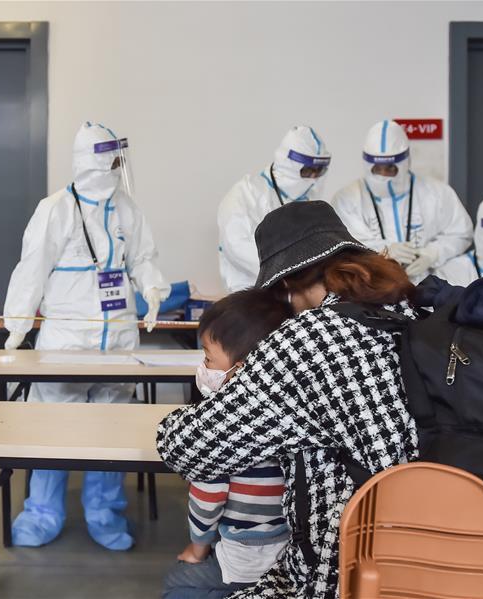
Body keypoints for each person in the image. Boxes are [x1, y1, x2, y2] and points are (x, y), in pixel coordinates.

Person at [158, 201, 419, 599]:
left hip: (344, 564)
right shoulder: (409, 308)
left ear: (286, 283)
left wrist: (180, 418)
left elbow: (187, 448)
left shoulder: (309, 339)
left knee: (181, 587)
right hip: (423, 550)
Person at [3, 122, 170, 550]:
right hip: (65, 345)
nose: (117, 166)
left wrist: (152, 289)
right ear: (93, 161)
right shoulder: (55, 209)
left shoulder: (127, 209)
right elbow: (31, 270)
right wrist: (17, 325)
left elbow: (144, 258)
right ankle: (42, 513)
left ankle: (105, 513)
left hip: (117, 341)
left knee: (110, 432)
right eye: (111, 158)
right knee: (53, 431)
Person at [162, 289, 293, 599]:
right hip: (290, 549)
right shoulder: (290, 412)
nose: (204, 366)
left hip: (243, 554)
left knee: (176, 584)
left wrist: (197, 549)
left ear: (243, 367)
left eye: (208, 358)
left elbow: (207, 502)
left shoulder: (220, 432)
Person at [330, 119, 473, 283]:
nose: (384, 175)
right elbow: (343, 245)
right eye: (377, 169)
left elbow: (461, 233)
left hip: (428, 291)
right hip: (371, 290)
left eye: (391, 168)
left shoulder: (437, 193)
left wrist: (432, 254)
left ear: (405, 162)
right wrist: (384, 250)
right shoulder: (347, 199)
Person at [218, 126, 331, 292]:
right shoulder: (246, 194)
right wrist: (294, 273)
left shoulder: (312, 201)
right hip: (251, 297)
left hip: (300, 295)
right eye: (307, 171)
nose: (313, 179)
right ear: (287, 164)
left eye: (319, 171)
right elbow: (238, 247)